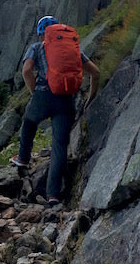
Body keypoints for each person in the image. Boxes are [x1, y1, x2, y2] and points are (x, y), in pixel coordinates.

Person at [12, 15, 100, 205]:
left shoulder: (36, 47)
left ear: (41, 33)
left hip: (43, 94)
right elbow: (96, 72)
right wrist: (90, 97)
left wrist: (34, 90)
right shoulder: (71, 49)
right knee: (59, 146)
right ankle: (53, 195)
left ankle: (23, 158)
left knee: (29, 122)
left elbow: (26, 70)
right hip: (66, 100)